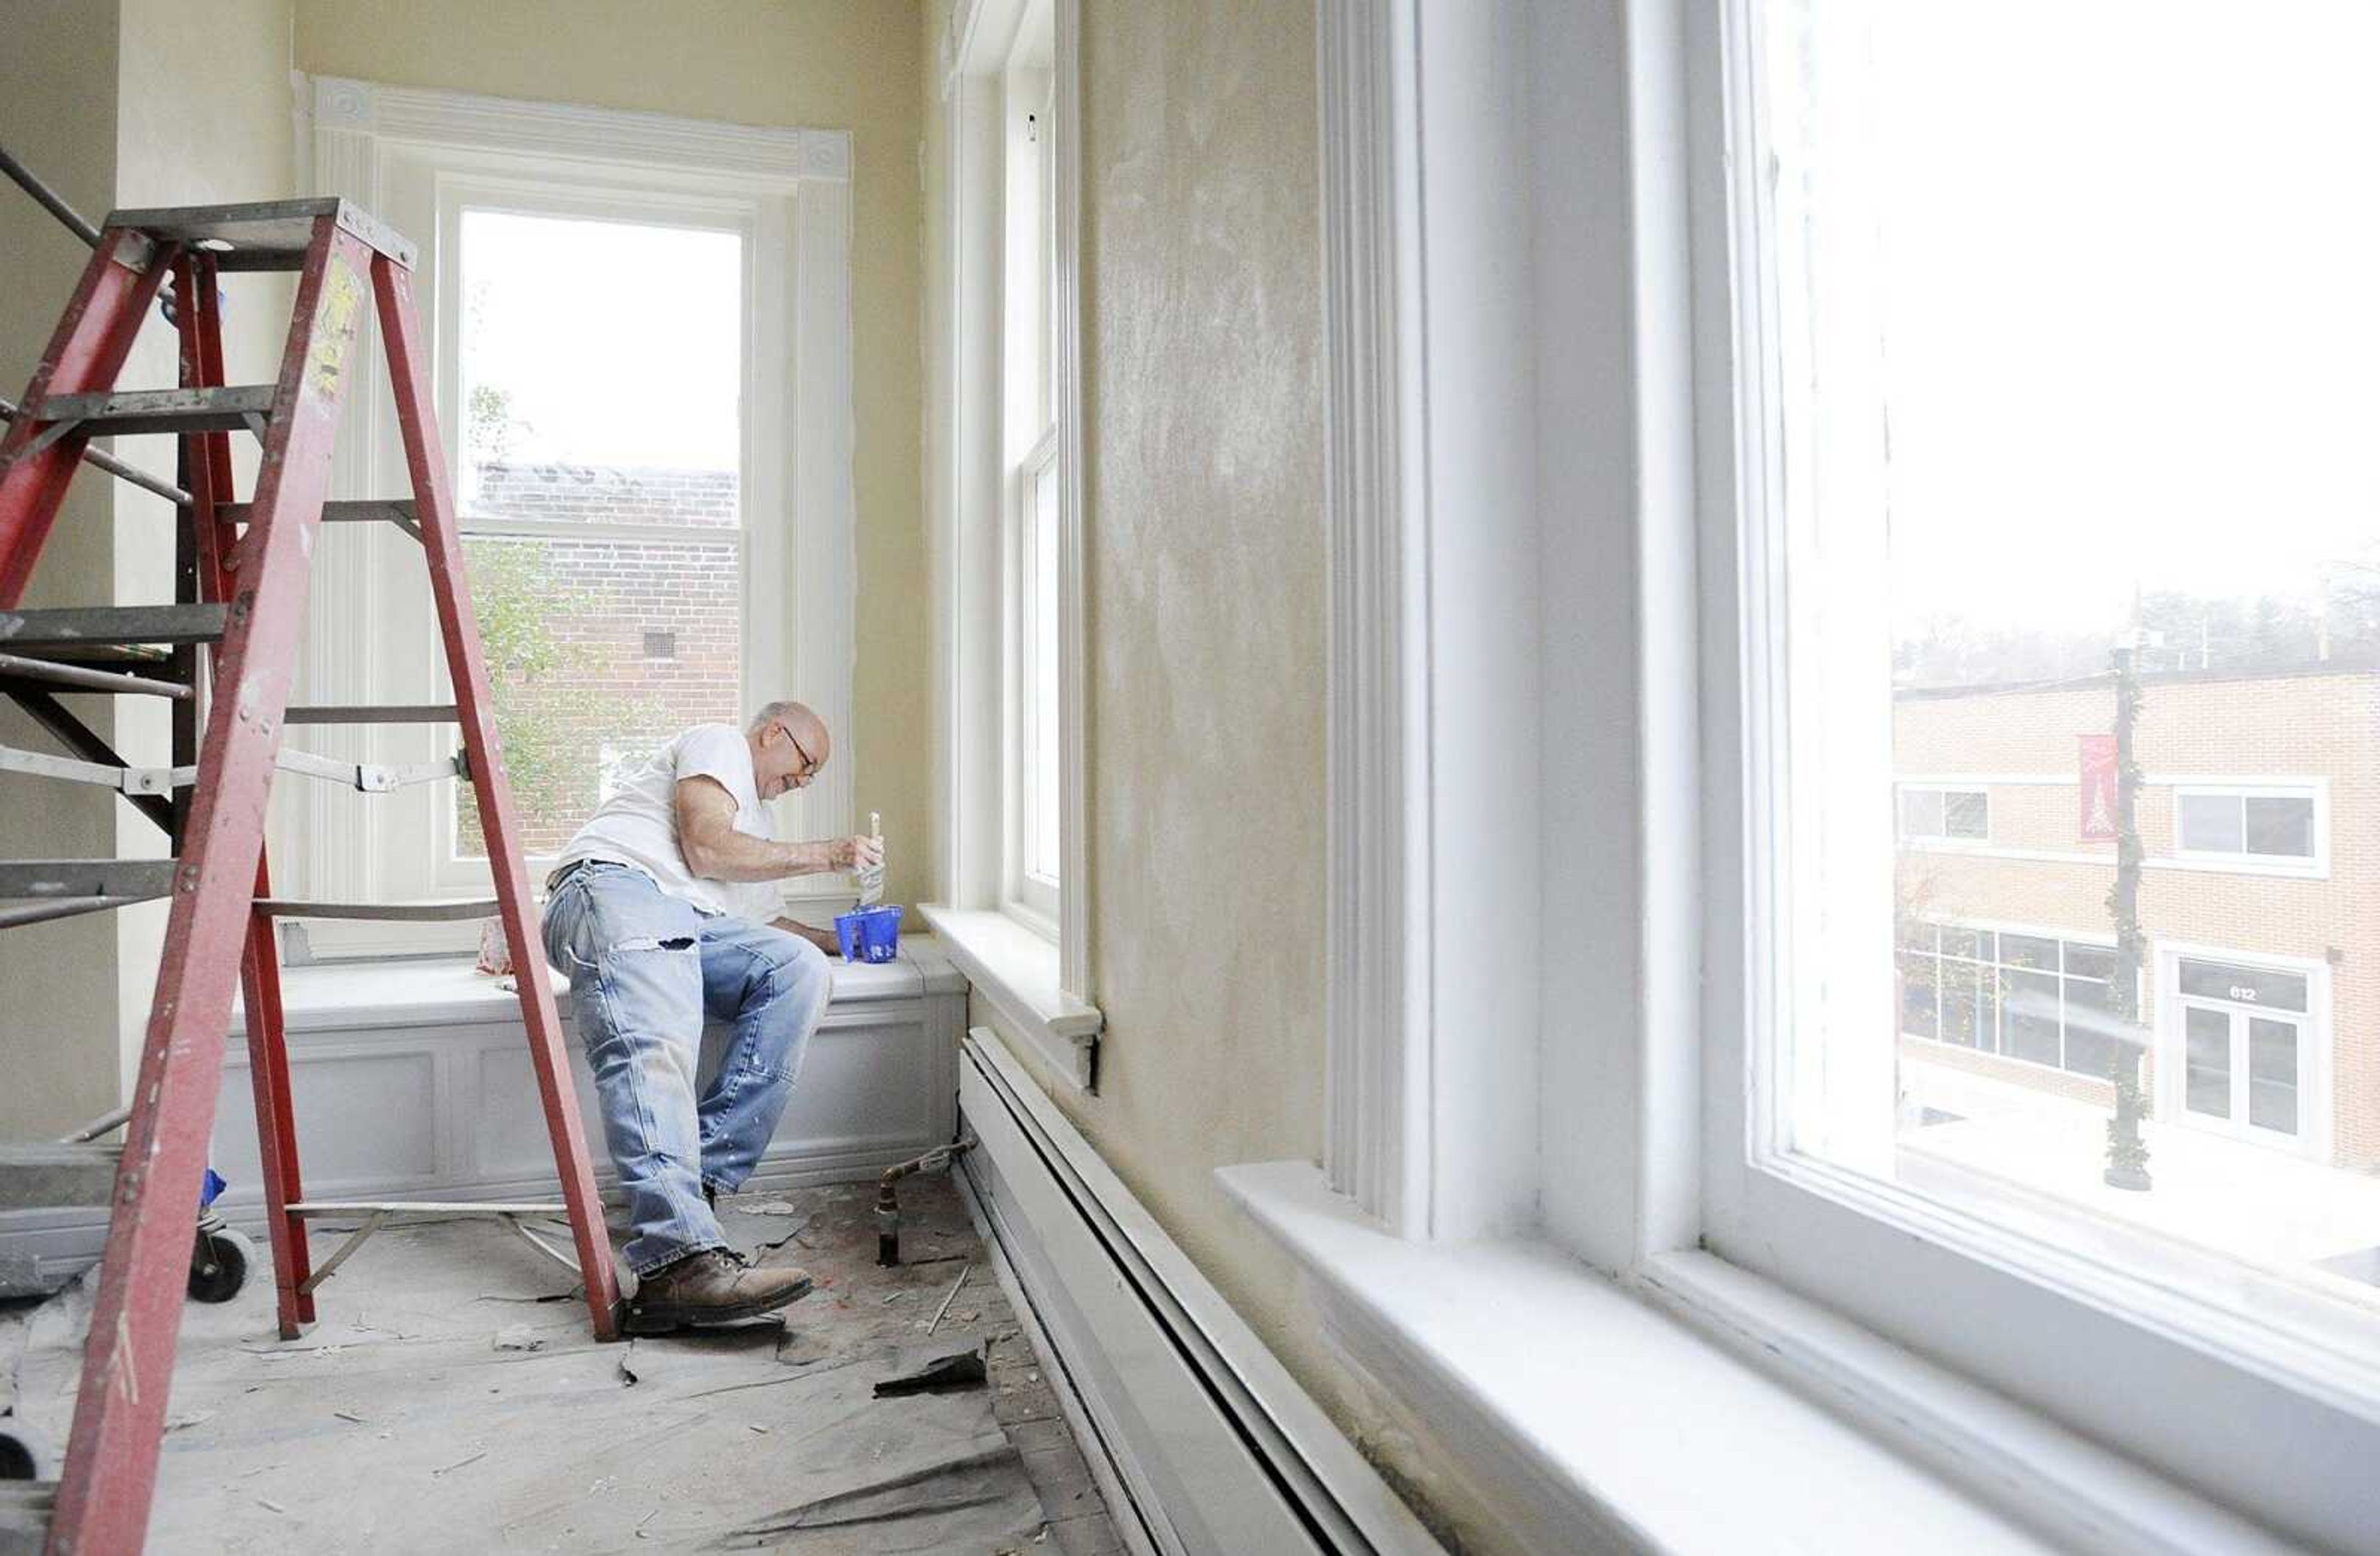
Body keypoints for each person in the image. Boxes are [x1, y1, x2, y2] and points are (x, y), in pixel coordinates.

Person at [540, 700, 883, 1333]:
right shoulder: (718, 743)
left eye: (811, 778)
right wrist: (830, 853)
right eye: (804, 764)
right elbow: (705, 847)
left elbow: (768, 924)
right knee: (656, 1038)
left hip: (692, 923)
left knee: (798, 969)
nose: (802, 782)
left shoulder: (756, 827)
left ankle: (697, 1184)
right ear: (771, 733)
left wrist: (842, 938)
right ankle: (677, 1262)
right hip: (616, 890)